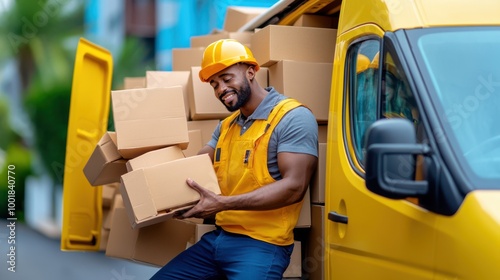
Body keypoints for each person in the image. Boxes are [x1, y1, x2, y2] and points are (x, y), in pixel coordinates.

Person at [150, 39, 318, 280]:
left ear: (250, 72)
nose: (220, 89)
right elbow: (198, 167)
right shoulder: (225, 126)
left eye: (227, 79)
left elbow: (294, 188)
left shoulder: (292, 117)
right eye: (214, 84)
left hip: (262, 244)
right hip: (219, 239)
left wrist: (221, 204)